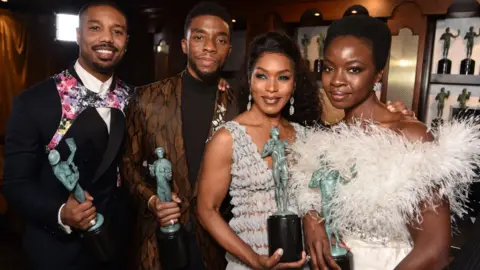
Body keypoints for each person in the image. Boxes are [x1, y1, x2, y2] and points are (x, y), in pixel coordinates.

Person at [291, 15, 480, 270]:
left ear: (378, 73)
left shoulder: (410, 136)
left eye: (354, 69)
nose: (336, 80)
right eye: (328, 67)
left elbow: (434, 249)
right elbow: (310, 196)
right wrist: (312, 222)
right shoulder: (326, 138)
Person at [2, 1, 132, 270]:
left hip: (120, 247)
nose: (107, 38)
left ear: (126, 41)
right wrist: (61, 212)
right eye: (95, 28)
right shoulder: (35, 102)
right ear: (78, 35)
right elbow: (15, 183)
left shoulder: (135, 99)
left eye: (117, 31)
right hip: (57, 253)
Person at [121, 2, 238, 270]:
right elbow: (127, 164)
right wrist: (152, 200)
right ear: (184, 45)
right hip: (160, 240)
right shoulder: (147, 98)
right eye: (199, 37)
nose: (209, 46)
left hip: (218, 243)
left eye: (220, 40)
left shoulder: (237, 102)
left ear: (228, 50)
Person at [196, 32, 318, 269]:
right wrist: (255, 260)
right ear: (250, 80)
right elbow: (206, 210)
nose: (271, 88)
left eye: (282, 78)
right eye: (262, 76)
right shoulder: (228, 138)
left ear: (294, 84)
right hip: (248, 263)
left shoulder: (305, 136)